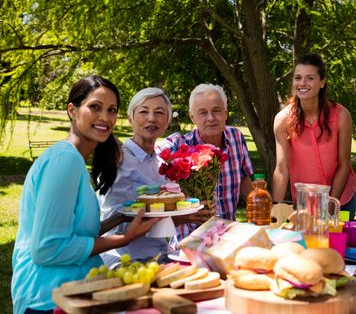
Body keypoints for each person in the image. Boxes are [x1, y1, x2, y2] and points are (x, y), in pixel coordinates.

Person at [11, 76, 160, 314]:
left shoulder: (74, 159)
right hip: (49, 299)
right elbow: (48, 249)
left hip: (72, 293)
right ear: (72, 110)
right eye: (95, 107)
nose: (105, 117)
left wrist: (121, 218)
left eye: (112, 110)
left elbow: (72, 233)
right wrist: (124, 239)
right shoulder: (65, 160)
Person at [156, 83, 253, 238]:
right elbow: (150, 150)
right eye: (202, 113)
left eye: (216, 111)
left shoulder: (236, 137)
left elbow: (244, 178)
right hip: (190, 240)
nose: (211, 118)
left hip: (228, 237)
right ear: (192, 116)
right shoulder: (179, 146)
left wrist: (258, 205)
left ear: (226, 113)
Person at [272, 54, 356, 218]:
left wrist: (331, 205)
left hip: (342, 199)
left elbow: (344, 163)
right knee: (307, 243)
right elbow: (282, 169)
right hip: (305, 204)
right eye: (298, 78)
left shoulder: (341, 115)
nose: (302, 83)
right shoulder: (282, 120)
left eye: (310, 78)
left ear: (322, 82)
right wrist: (274, 212)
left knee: (338, 243)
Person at [99, 88, 173, 266]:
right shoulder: (119, 161)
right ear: (130, 119)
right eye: (144, 111)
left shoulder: (162, 161)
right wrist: (173, 218)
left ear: (167, 121)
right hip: (123, 258)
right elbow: (115, 225)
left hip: (160, 255)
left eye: (159, 113)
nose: (151, 118)